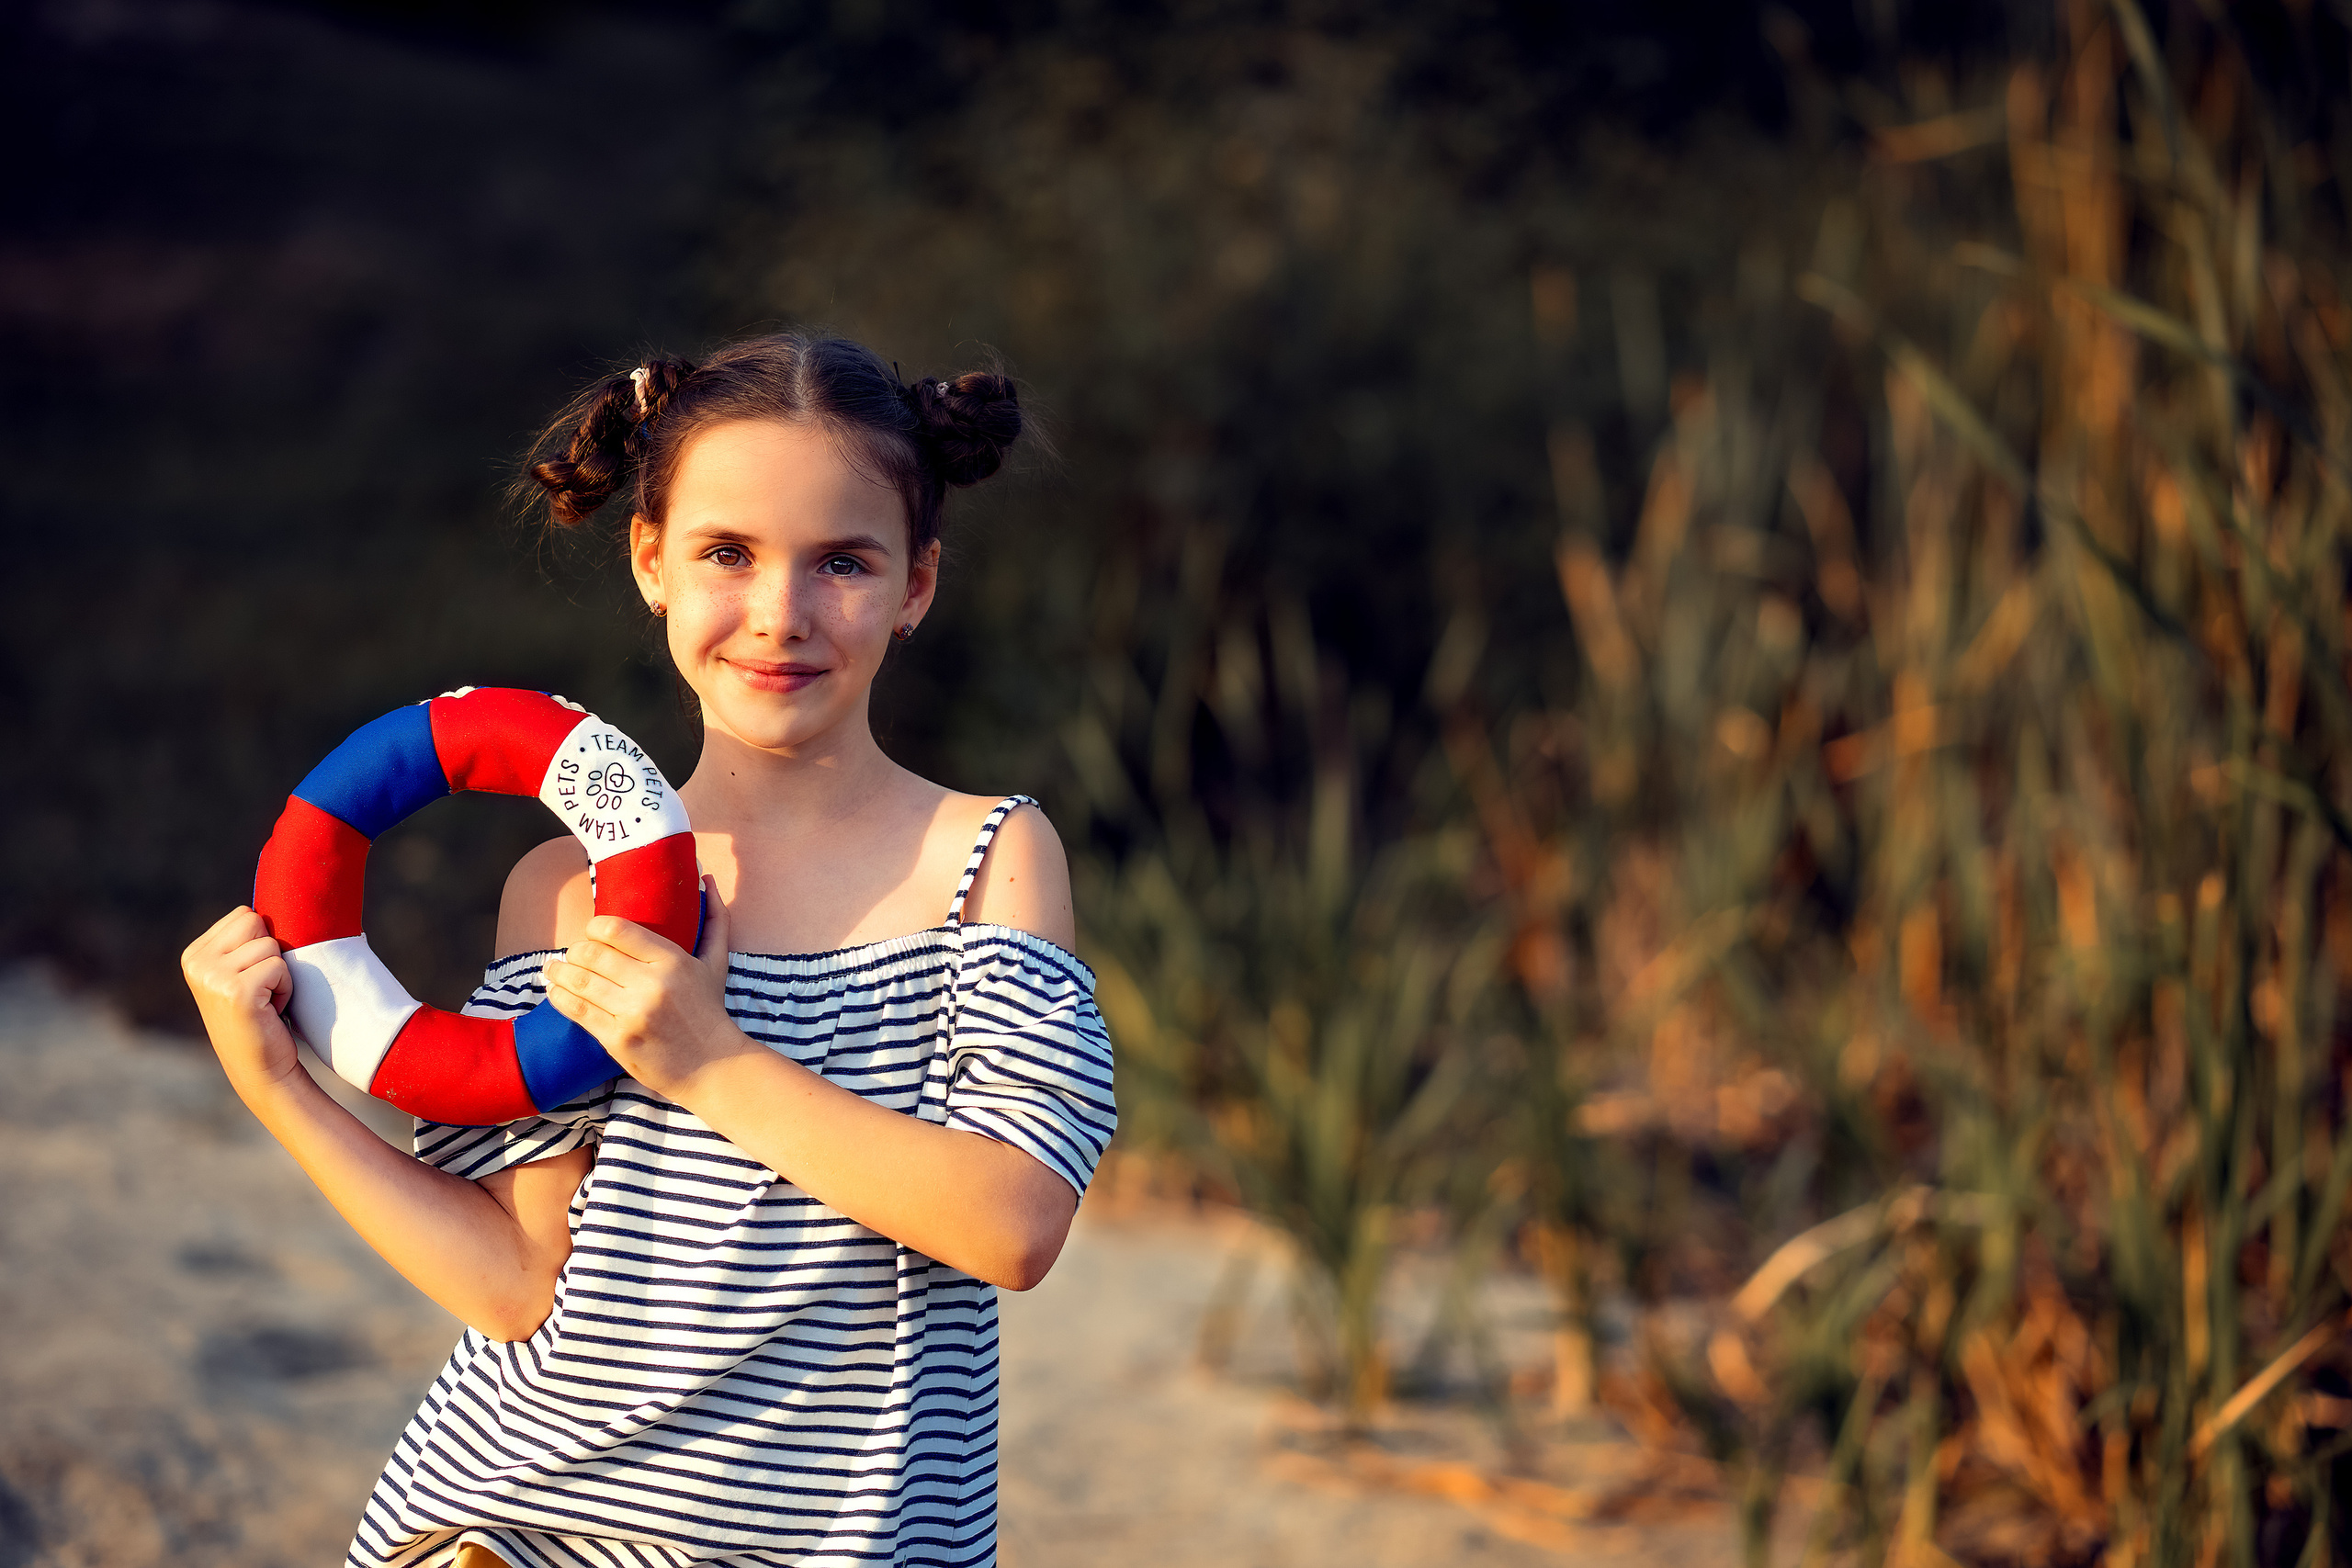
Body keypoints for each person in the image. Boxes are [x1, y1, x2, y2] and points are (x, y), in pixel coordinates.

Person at [178, 333, 1117, 1568]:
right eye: (727, 553)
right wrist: (279, 1092)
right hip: (514, 1529)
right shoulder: (559, 890)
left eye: (843, 561)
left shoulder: (988, 858)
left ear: (917, 586)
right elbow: (515, 1286)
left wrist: (708, 1060)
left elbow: (1015, 1229)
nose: (779, 615)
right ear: (650, 561)